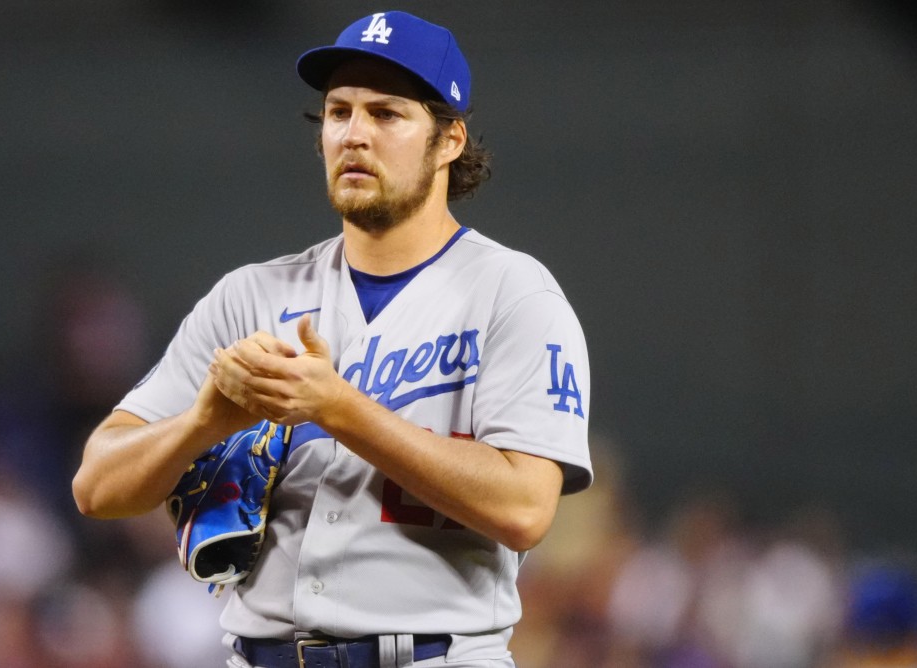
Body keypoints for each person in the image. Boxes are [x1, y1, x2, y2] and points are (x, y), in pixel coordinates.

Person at [73, 10, 593, 667]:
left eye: (386, 114)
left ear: (451, 139)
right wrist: (203, 421)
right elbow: (97, 485)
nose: (354, 135)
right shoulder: (252, 296)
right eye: (338, 112)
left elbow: (525, 509)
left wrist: (337, 408)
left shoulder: (511, 294)